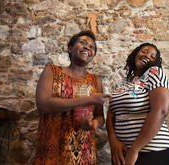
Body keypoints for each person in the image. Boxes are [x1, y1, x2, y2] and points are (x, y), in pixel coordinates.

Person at [34, 30, 111, 164]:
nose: (87, 47)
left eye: (92, 47)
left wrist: (93, 124)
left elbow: (99, 117)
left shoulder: (95, 81)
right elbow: (43, 105)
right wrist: (88, 99)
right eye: (83, 43)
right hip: (51, 149)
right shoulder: (52, 71)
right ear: (70, 48)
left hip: (84, 152)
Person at [106, 43, 169, 165]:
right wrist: (113, 141)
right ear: (136, 53)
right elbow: (111, 114)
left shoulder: (154, 73)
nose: (147, 55)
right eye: (144, 51)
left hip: (151, 150)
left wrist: (134, 149)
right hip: (122, 152)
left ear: (156, 61)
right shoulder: (122, 82)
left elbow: (161, 110)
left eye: (153, 56)